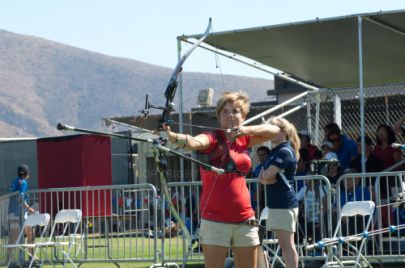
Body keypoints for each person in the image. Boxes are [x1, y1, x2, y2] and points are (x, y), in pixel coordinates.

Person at [164, 91, 281, 268]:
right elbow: (195, 142)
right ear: (219, 116)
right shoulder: (212, 137)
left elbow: (274, 131)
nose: (230, 115)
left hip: (245, 219)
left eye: (235, 111)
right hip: (215, 220)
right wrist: (173, 136)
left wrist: (245, 130)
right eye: (224, 112)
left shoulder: (243, 139)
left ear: (243, 116)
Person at [258, 117, 300, 268]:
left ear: (283, 132)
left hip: (284, 204)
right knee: (285, 244)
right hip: (277, 204)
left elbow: (267, 176)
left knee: (287, 245)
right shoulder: (275, 152)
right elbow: (262, 178)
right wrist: (266, 177)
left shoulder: (284, 151)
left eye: (272, 128)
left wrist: (266, 177)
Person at [7, 165, 35, 261]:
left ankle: (9, 259)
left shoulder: (14, 182)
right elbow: (20, 198)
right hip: (19, 213)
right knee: (29, 234)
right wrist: (29, 208)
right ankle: (29, 258)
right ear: (26, 173)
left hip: (12, 212)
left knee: (18, 236)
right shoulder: (23, 183)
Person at [250, 146, 271, 214]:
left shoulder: (271, 166)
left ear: (268, 155)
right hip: (258, 199)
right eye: (259, 155)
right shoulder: (257, 168)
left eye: (263, 155)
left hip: (268, 195)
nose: (261, 157)